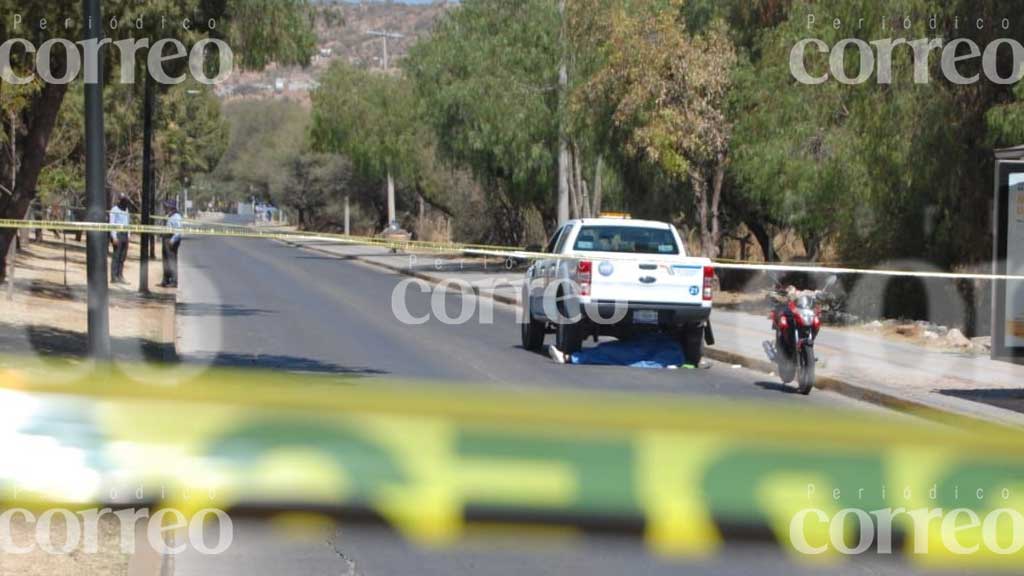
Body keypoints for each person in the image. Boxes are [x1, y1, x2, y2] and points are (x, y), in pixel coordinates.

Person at [160, 200, 183, 288]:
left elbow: (178, 232)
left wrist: (172, 240)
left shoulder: (176, 217)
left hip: (171, 240)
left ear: (171, 207)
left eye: (167, 206)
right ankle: (166, 279)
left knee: (171, 261)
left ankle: (174, 281)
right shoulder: (169, 215)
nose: (165, 208)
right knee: (165, 261)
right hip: (166, 239)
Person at [109, 194, 131, 284]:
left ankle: (120, 275)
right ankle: (114, 277)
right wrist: (114, 237)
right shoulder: (114, 210)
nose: (125, 203)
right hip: (118, 234)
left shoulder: (126, 210)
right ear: (120, 200)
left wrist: (128, 235)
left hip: (125, 235)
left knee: (122, 257)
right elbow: (112, 224)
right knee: (116, 256)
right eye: (124, 200)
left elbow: (128, 223)